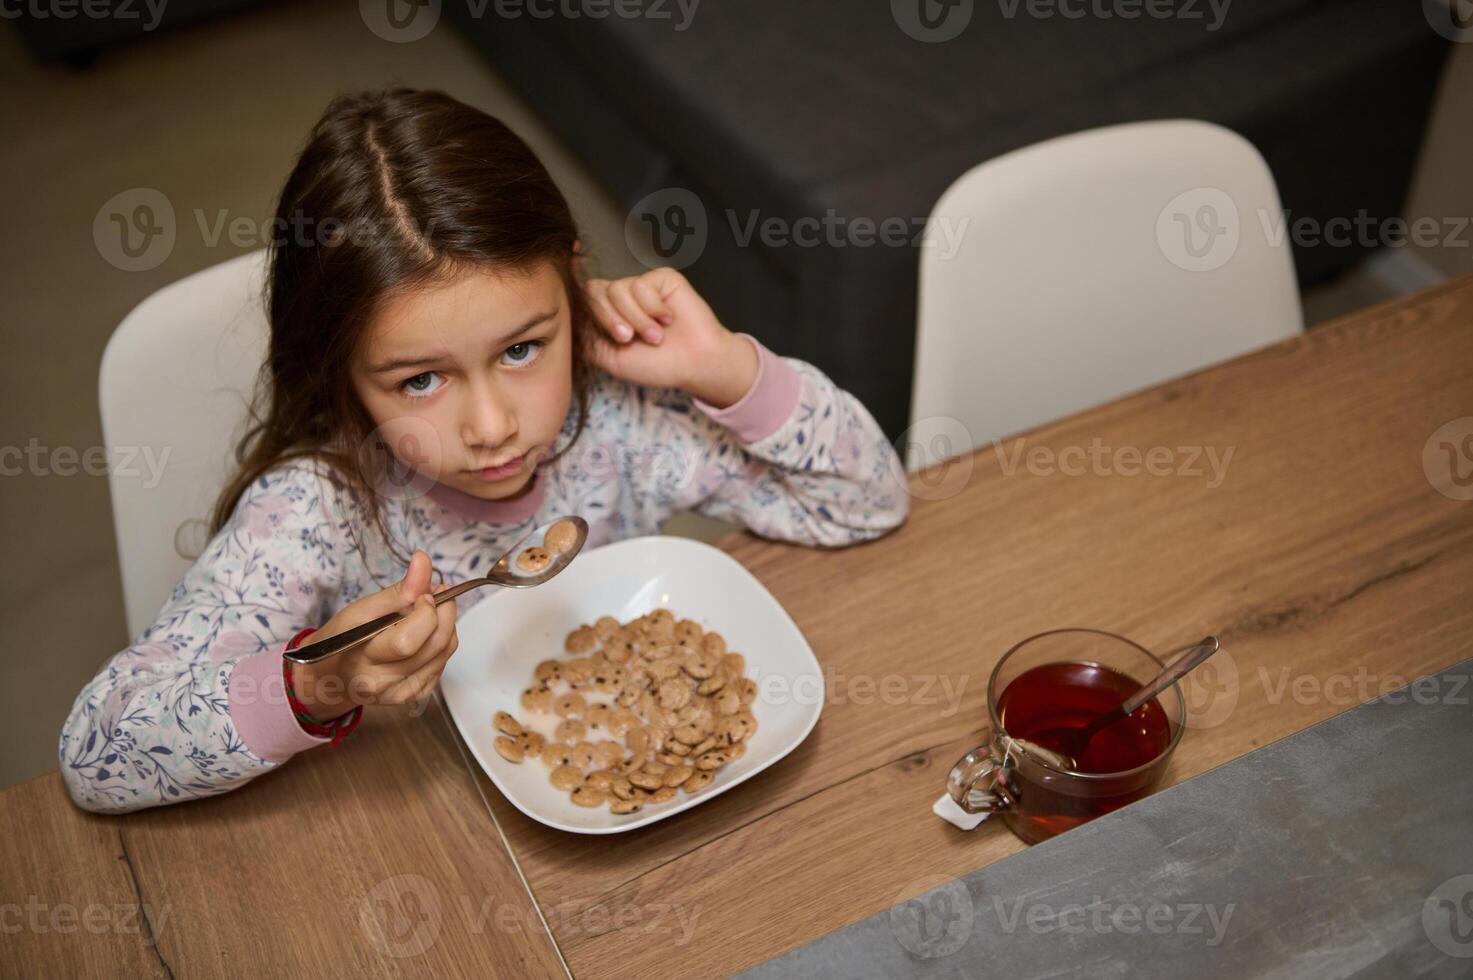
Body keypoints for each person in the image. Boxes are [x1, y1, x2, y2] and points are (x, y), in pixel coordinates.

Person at [60, 88, 909, 814]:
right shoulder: (313, 510)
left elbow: (866, 501)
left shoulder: (626, 425)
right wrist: (320, 684)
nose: (494, 425)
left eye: (520, 349)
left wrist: (727, 370)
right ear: (341, 369)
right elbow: (95, 753)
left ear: (573, 287)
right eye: (420, 381)